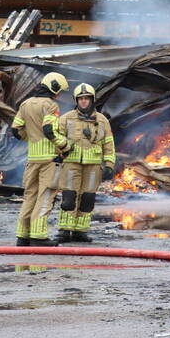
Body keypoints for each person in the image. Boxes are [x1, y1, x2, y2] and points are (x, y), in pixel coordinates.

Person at [11, 72, 71, 246]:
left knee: (30, 196)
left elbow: (16, 130)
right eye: (60, 91)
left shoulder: (26, 104)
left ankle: (22, 236)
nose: (59, 95)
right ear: (55, 88)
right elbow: (49, 130)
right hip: (49, 160)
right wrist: (65, 146)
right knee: (45, 196)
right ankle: (38, 236)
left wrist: (31, 138)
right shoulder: (51, 105)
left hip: (32, 159)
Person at [56, 83, 115, 244]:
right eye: (80, 98)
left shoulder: (102, 120)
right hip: (71, 164)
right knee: (69, 197)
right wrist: (59, 153)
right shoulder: (66, 118)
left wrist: (109, 164)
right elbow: (56, 138)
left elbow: (108, 143)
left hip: (93, 166)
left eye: (86, 98)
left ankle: (80, 232)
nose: (83, 101)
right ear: (76, 100)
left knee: (87, 199)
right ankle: (64, 230)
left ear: (92, 100)